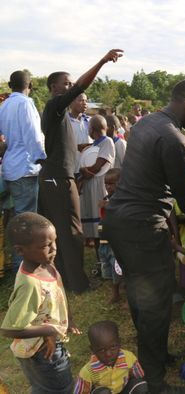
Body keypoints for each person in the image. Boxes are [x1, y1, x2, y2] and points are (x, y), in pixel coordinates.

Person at [103, 79, 185, 394]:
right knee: (154, 303)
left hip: (120, 222)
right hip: (141, 227)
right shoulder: (172, 138)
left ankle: (154, 358)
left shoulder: (148, 123)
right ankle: (153, 383)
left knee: (144, 299)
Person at [38, 49, 123, 294]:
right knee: (72, 232)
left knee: (60, 231)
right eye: (66, 83)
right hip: (57, 178)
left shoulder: (59, 113)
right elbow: (80, 87)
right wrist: (102, 61)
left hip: (56, 175)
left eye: (71, 83)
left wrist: (82, 147)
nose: (72, 86)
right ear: (54, 87)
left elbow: (61, 144)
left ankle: (63, 277)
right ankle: (79, 284)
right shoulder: (55, 105)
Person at [0, 212, 81, 393]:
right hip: (41, 352)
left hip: (46, 343)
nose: (54, 249)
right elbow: (8, 329)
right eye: (46, 245)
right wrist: (50, 330)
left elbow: (58, 292)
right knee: (62, 388)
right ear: (20, 250)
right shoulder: (30, 284)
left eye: (54, 241)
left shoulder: (44, 263)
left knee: (44, 387)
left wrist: (69, 319)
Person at [0, 71, 46, 270]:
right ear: (30, 85)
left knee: (14, 218)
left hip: (10, 165)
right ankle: (24, 267)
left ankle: (15, 261)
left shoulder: (5, 105)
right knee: (26, 220)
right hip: (25, 168)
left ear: (11, 85)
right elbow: (33, 136)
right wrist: (42, 159)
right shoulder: (26, 103)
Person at [73, 320, 147, 394]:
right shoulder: (88, 372)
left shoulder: (129, 358)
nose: (108, 354)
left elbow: (139, 376)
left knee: (141, 386)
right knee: (103, 392)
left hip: (123, 390)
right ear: (93, 350)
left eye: (113, 347)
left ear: (119, 343)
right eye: (101, 350)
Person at [79, 115, 115, 250]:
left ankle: (104, 257)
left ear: (92, 129)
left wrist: (82, 171)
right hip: (91, 188)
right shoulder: (96, 144)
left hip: (99, 188)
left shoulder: (107, 142)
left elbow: (96, 166)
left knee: (100, 227)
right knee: (94, 230)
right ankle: (100, 258)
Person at [97, 168, 123, 303]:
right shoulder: (107, 198)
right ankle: (115, 292)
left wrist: (107, 205)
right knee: (107, 267)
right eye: (106, 184)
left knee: (117, 269)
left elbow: (119, 211)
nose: (108, 187)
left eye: (111, 184)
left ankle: (119, 293)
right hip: (104, 240)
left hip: (115, 243)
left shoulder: (121, 200)